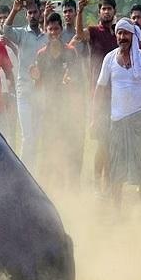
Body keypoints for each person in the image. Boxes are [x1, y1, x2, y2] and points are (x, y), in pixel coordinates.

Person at [96, 18, 141, 204]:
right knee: (116, 167)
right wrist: (94, 118)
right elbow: (99, 90)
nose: (122, 37)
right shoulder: (109, 59)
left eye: (126, 33)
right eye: (120, 33)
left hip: (140, 119)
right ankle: (117, 210)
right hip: (117, 120)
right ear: (116, 35)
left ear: (133, 36)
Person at [32, 12, 82, 188]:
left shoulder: (71, 52)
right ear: (46, 31)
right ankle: (49, 186)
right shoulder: (41, 55)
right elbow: (37, 87)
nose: (53, 32)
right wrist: (36, 77)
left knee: (70, 147)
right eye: (50, 29)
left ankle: (72, 187)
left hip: (67, 108)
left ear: (61, 30)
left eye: (56, 29)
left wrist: (71, 80)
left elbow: (79, 78)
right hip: (49, 109)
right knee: (48, 147)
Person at [74, 0, 119, 185]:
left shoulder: (120, 33)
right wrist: (80, 11)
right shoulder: (93, 31)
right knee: (102, 141)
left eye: (109, 8)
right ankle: (96, 181)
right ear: (99, 11)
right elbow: (79, 34)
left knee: (113, 142)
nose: (106, 11)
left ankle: (108, 182)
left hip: (118, 95)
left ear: (114, 12)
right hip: (98, 96)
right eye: (103, 8)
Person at [2, 0, 49, 167]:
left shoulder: (47, 36)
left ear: (40, 12)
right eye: (29, 13)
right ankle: (24, 173)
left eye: (35, 12)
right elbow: (5, 31)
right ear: (26, 15)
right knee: (27, 136)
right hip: (24, 92)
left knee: (37, 136)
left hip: (41, 92)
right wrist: (14, 9)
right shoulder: (21, 33)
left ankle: (35, 171)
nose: (33, 15)